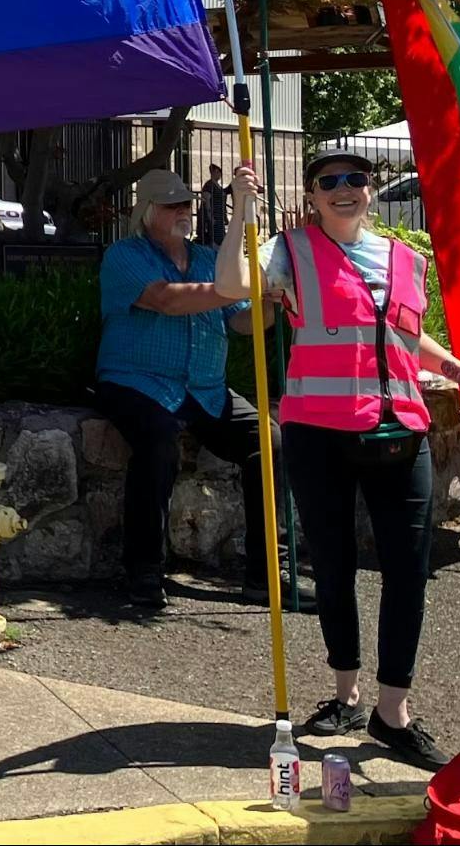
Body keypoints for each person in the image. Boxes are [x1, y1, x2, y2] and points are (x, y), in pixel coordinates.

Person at [217, 146, 460, 770]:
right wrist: (241, 208)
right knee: (334, 567)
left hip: (400, 433)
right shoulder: (289, 251)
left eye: (356, 178)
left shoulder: (404, 259)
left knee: (409, 572)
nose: (343, 188)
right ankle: (346, 694)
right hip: (318, 435)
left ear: (372, 190)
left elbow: (408, 338)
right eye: (329, 181)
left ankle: (392, 712)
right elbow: (229, 285)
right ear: (312, 195)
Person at [96, 168, 309, 612]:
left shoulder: (210, 259)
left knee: (270, 443)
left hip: (205, 387)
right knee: (158, 444)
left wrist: (268, 303)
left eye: (186, 203)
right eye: (171, 205)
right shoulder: (123, 255)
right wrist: (236, 287)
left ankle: (269, 573)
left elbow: (243, 323)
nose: (183, 211)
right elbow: (168, 300)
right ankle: (144, 569)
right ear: (146, 212)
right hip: (137, 382)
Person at [196, 163, 229, 246]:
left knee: (221, 239)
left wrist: (224, 216)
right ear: (213, 172)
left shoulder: (218, 186)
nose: (220, 174)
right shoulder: (209, 185)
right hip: (213, 217)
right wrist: (210, 216)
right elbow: (206, 202)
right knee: (214, 239)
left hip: (219, 217)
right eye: (218, 172)